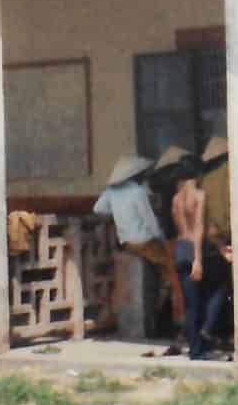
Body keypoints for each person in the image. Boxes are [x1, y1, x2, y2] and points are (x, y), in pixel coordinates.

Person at [92, 153, 186, 330]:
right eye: (142, 173)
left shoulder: (112, 191)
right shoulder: (138, 192)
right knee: (172, 272)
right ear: (134, 174)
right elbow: (149, 220)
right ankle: (178, 316)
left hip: (126, 241)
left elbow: (98, 209)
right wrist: (161, 237)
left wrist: (118, 214)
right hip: (145, 241)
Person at [170, 155, 224, 361]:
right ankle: (205, 333)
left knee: (191, 304)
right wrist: (198, 260)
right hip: (194, 249)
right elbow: (199, 228)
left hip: (180, 248)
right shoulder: (200, 196)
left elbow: (181, 228)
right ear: (198, 173)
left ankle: (196, 347)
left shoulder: (176, 199)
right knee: (218, 288)